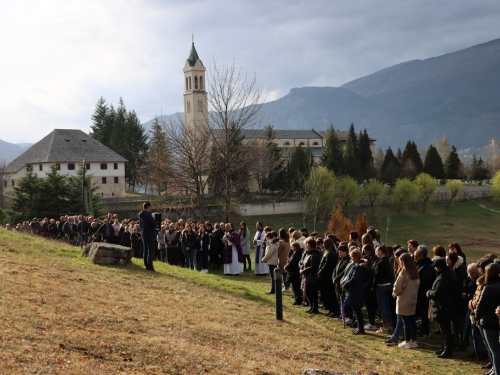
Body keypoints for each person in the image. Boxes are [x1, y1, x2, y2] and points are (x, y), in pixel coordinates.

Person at [426, 257, 459, 358]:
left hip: (443, 307)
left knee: (445, 330)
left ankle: (447, 350)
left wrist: (428, 293)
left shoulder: (443, 279)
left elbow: (437, 293)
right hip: (448, 305)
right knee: (444, 329)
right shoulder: (449, 274)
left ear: (439, 268)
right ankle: (444, 348)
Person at [475, 263, 500, 375]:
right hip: (497, 320)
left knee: (494, 350)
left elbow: (481, 307)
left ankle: (496, 371)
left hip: (489, 322)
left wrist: (476, 318)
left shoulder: (488, 288)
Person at [392, 253, 420, 349]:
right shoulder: (415, 272)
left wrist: (395, 293)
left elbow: (397, 286)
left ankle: (407, 340)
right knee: (412, 320)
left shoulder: (404, 272)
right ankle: (413, 340)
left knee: (406, 320)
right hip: (412, 299)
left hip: (404, 299)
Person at [342, 248, 369, 334]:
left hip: (355, 290)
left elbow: (354, 278)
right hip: (357, 290)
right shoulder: (358, 266)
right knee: (356, 310)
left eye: (352, 257)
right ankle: (359, 327)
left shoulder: (358, 267)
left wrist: (346, 285)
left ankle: (360, 328)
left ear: (355, 257)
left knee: (357, 310)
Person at [414, 245, 435, 339]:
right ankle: (422, 329)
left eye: (416, 256)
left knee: (424, 314)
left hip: (424, 294)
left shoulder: (427, 267)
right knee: (421, 313)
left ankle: (425, 331)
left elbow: (424, 281)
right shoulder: (421, 264)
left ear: (422, 256)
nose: (415, 258)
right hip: (420, 293)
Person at [373, 245, 394, 333]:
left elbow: (377, 276)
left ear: (381, 251)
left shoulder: (381, 263)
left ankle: (385, 326)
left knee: (382, 308)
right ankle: (390, 325)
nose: (376, 252)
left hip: (381, 286)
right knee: (387, 307)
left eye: (377, 250)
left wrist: (373, 285)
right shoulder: (388, 261)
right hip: (388, 285)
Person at [300, 237, 322, 314]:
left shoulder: (315, 254)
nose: (307, 246)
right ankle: (311, 306)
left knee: (313, 293)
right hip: (307, 276)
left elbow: (313, 266)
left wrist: (304, 270)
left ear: (311, 246)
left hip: (312, 277)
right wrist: (301, 267)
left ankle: (315, 308)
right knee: (307, 292)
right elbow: (303, 262)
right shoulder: (308, 253)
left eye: (308, 245)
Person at [318, 237, 338, 315]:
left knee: (331, 294)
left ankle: (334, 310)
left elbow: (326, 265)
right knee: (328, 294)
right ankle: (331, 309)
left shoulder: (331, 253)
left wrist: (320, 272)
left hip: (328, 276)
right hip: (326, 276)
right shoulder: (328, 252)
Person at [139, 201, 157, 272]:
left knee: (145, 250)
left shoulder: (141, 215)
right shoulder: (148, 215)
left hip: (144, 234)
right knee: (151, 251)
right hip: (150, 235)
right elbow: (154, 223)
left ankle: (146, 264)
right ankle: (150, 266)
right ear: (148, 207)